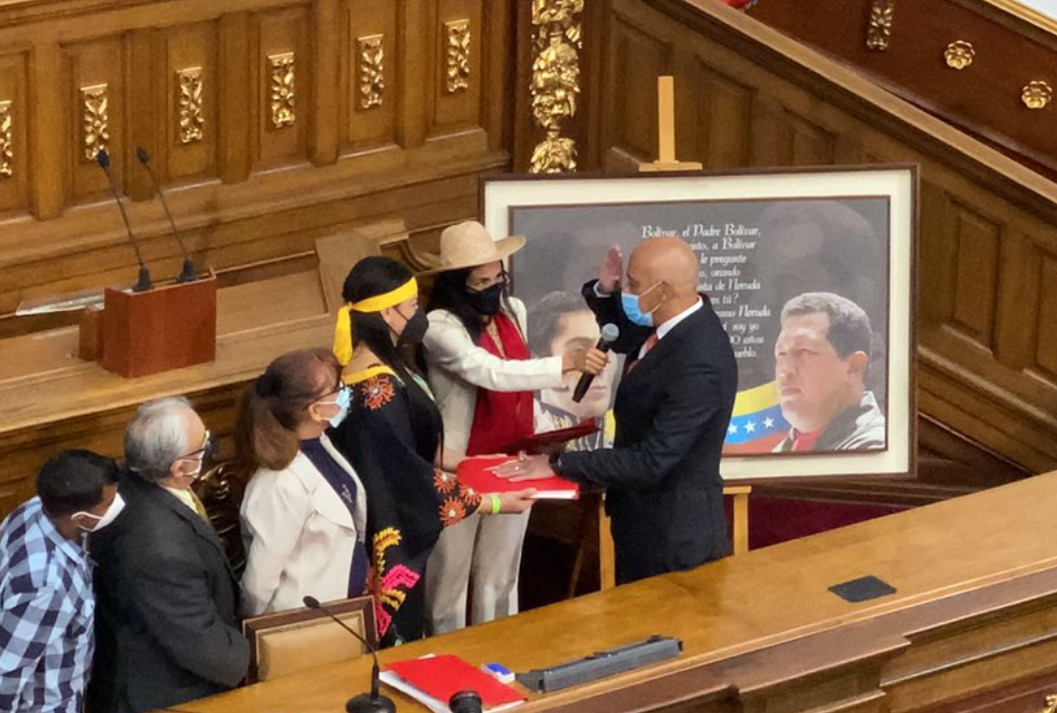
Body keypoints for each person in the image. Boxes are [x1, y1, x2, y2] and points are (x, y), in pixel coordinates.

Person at [497, 238, 738, 584]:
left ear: (664, 290)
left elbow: (652, 460)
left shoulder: (700, 360)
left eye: (634, 285)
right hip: (640, 522)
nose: (628, 291)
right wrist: (606, 292)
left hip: (672, 538)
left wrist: (557, 464)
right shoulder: (673, 323)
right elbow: (625, 336)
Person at [329, 256, 537, 647]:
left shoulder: (382, 367)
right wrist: (493, 502)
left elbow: (414, 446)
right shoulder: (379, 395)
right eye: (410, 306)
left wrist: (471, 462)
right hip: (387, 536)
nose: (418, 313)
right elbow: (412, 481)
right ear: (387, 313)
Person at [421, 221, 608, 635]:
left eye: (497, 276)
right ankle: (444, 663)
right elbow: (491, 372)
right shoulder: (439, 326)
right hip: (459, 463)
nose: (493, 287)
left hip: (514, 457)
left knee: (500, 575)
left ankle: (499, 654)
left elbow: (520, 380)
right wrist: (565, 363)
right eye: (481, 281)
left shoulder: (514, 310)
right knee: (450, 577)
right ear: (457, 284)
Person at [88, 397, 249, 713]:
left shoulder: (136, 478)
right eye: (203, 444)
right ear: (180, 467)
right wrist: (256, 659)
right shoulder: (159, 548)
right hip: (166, 693)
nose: (209, 445)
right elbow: (199, 643)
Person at [235, 348, 368, 616]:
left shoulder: (321, 443)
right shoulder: (280, 484)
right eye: (337, 389)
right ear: (315, 409)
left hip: (346, 609)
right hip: (304, 621)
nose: (345, 393)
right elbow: (259, 582)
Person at [0, 450, 121, 713]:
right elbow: (6, 673)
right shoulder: (45, 586)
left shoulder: (35, 509)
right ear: (80, 518)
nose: (116, 506)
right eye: (108, 503)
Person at [772, 292, 886, 452]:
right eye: (781, 354)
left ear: (854, 367)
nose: (785, 371)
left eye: (804, 351)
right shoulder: (774, 456)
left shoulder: (874, 451)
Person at [527, 290, 619, 451]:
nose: (601, 364)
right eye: (579, 350)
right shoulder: (524, 430)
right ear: (539, 360)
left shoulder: (633, 431)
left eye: (607, 348)